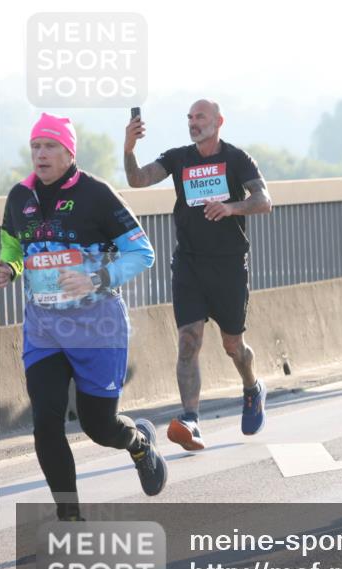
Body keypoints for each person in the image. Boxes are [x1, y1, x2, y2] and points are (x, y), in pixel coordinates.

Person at [0, 113, 165, 521]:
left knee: (99, 427)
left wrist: (96, 278)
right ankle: (70, 517)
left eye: (50, 146)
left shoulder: (96, 194)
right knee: (46, 423)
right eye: (35, 146)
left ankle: (139, 443)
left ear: (69, 152)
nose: (40, 154)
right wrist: (9, 268)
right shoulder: (19, 197)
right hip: (44, 329)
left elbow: (142, 253)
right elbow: (14, 246)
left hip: (98, 328)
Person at [123, 99, 273, 450]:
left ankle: (252, 387)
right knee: (188, 341)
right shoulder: (179, 158)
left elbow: (264, 200)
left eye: (200, 117)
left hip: (229, 265)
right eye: (189, 117)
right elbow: (137, 179)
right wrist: (129, 148)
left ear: (218, 121)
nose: (193, 122)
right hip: (189, 264)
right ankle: (190, 419)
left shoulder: (237, 158)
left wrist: (231, 208)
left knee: (233, 345)